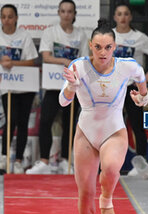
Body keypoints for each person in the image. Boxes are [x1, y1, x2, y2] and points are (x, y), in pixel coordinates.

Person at [59, 18, 148, 214]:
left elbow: (141, 80)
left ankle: (107, 199)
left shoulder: (128, 66)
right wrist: (71, 87)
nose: (103, 52)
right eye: (98, 47)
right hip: (86, 134)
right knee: (85, 193)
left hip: (114, 131)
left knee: (109, 168)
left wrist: (142, 98)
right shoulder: (78, 66)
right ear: (90, 45)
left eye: (108, 47)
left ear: (115, 46)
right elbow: (63, 102)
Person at [26, 0, 89, 174]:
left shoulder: (81, 35)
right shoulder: (50, 32)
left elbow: (84, 60)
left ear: (74, 14)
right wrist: (64, 61)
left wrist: (74, 65)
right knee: (45, 121)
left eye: (70, 11)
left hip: (73, 87)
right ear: (59, 13)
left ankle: (65, 161)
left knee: (69, 124)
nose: (66, 14)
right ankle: (44, 161)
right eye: (63, 11)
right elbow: (46, 57)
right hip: (53, 86)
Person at [112, 2, 148, 176]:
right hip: (112, 89)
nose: (123, 17)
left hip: (133, 88)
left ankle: (140, 164)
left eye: (126, 14)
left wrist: (147, 76)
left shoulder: (139, 37)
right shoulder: (108, 36)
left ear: (131, 17)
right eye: (119, 14)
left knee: (137, 125)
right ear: (114, 17)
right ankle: (112, 164)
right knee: (112, 127)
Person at [0, 4, 39, 173]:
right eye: (3, 16)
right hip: (7, 86)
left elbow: (31, 61)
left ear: (16, 18)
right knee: (11, 120)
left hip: (25, 86)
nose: (7, 20)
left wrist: (12, 63)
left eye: (10, 16)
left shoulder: (24, 36)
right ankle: (3, 158)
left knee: (22, 122)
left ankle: (18, 160)